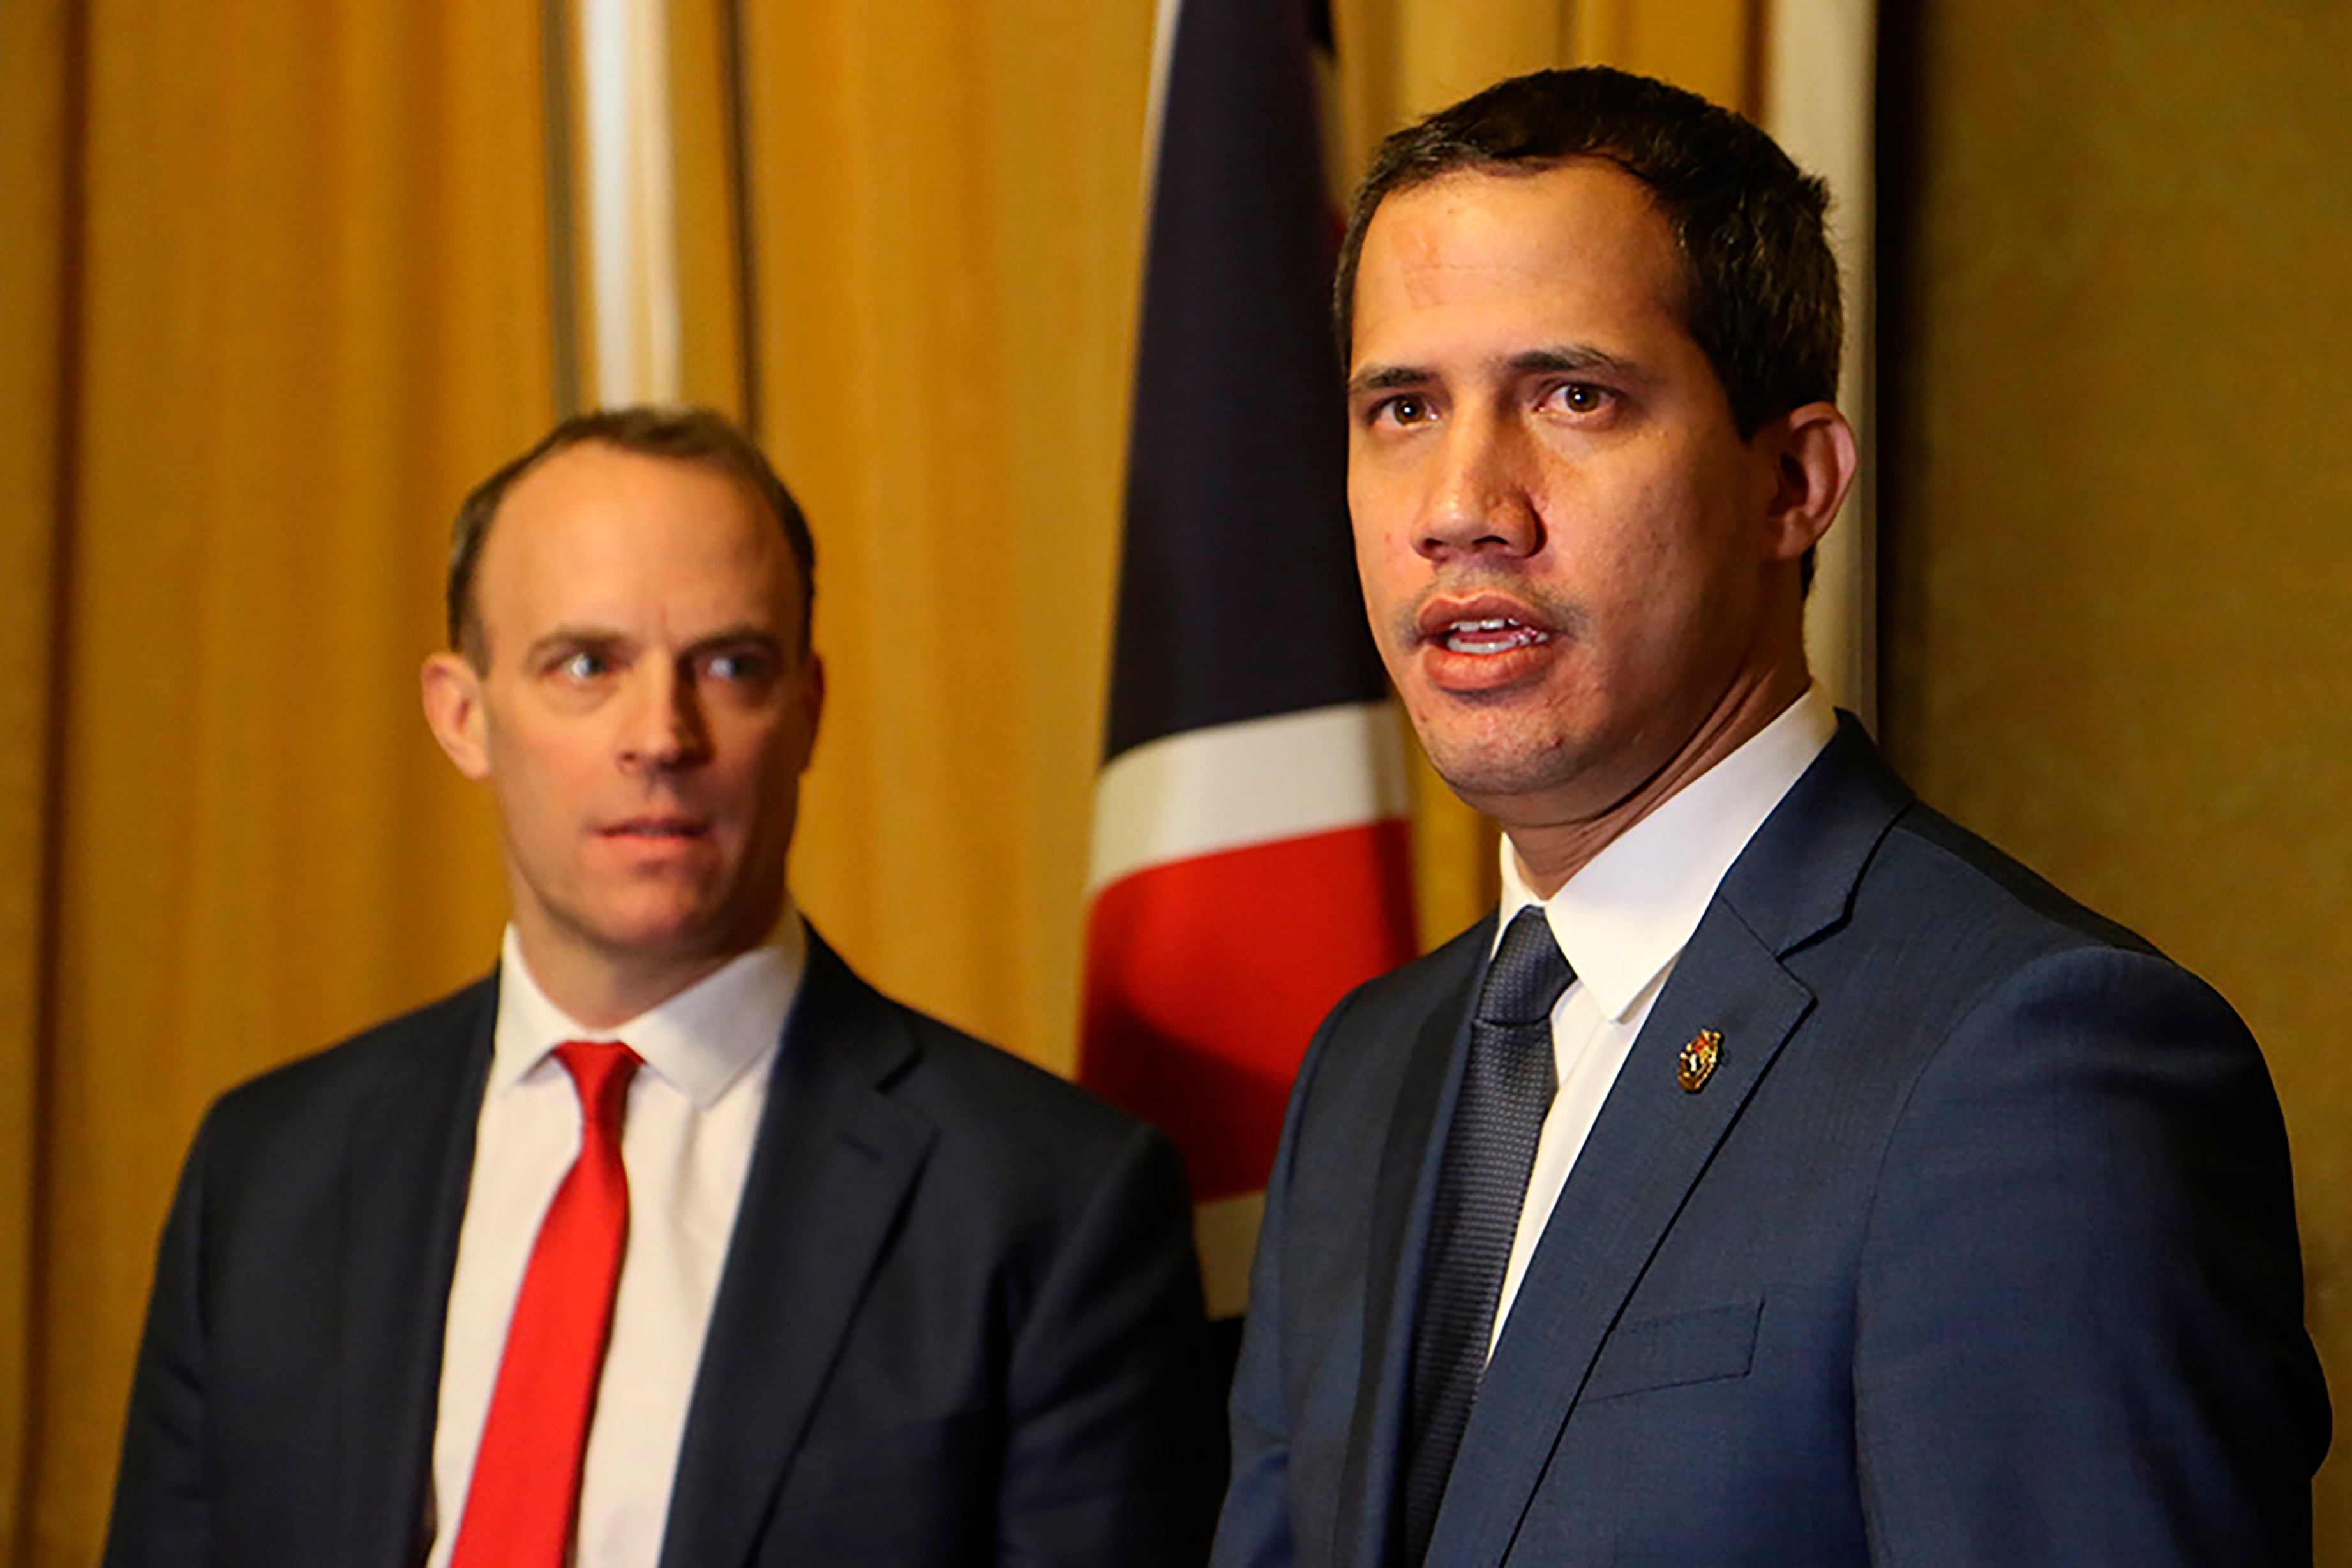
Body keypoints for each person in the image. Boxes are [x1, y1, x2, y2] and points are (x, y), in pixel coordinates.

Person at [1212, 66, 2328, 1567]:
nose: (1462, 501)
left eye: (1571, 396)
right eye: (1401, 407)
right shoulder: (1368, 1068)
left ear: (1793, 482)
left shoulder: (2033, 1064)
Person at [106, 406, 1218, 1567]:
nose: (661, 735)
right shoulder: (265, 1174)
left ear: (806, 711)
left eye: (728, 665)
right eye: (585, 664)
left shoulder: (1048, 1202)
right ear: (462, 713)